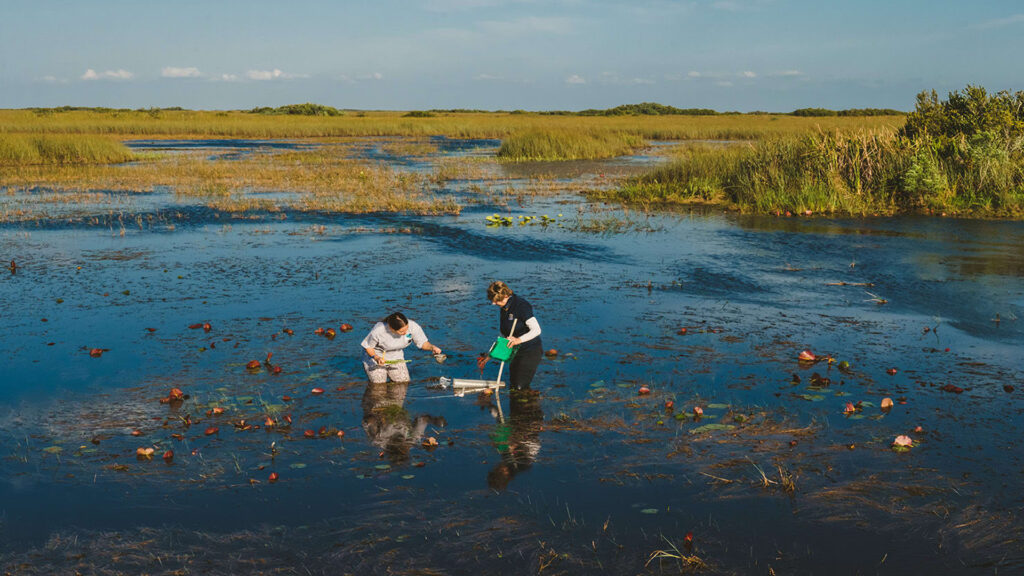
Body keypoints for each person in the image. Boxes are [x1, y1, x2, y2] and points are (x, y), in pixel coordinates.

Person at [485, 281, 542, 391]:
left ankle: (530, 405)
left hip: (529, 350)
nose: (494, 303)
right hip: (514, 351)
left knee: (519, 387)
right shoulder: (504, 308)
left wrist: (519, 340)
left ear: (505, 295)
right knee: (514, 384)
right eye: (493, 300)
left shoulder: (521, 306)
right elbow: (504, 334)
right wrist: (490, 355)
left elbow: (536, 330)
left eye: (497, 300)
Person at [360, 312, 442, 384]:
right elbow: (368, 347)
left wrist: (432, 347)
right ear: (392, 328)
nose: (406, 332)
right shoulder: (379, 331)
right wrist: (376, 358)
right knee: (379, 385)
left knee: (403, 383)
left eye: (406, 329)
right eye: (402, 331)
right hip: (375, 357)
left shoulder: (413, 326)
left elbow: (423, 343)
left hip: (396, 357)